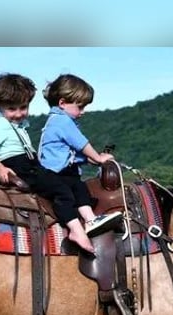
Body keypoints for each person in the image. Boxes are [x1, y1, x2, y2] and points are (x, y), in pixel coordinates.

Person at [36, 74, 122, 254]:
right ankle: (75, 230)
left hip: (66, 172)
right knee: (64, 196)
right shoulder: (62, 121)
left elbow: (74, 153)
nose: (83, 111)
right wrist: (98, 158)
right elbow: (81, 143)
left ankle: (90, 219)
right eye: (80, 106)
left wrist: (91, 160)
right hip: (52, 173)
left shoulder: (62, 121)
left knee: (80, 188)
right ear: (62, 103)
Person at [0, 73, 40, 188]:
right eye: (12, 109)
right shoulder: (1, 123)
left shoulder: (19, 125)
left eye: (23, 107)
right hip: (18, 167)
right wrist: (0, 168)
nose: (19, 114)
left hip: (30, 165)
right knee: (59, 189)